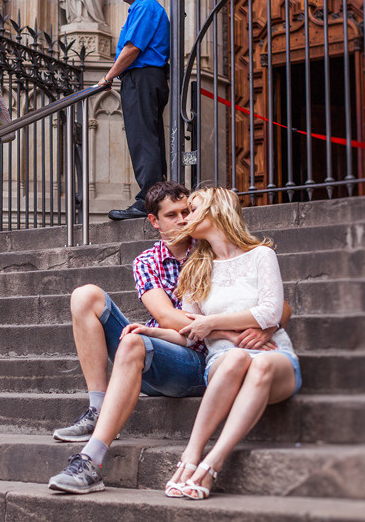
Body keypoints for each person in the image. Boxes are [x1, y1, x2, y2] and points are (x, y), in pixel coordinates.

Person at [48, 180, 292, 495]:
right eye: (173, 215)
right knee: (87, 298)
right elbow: (169, 319)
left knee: (138, 341)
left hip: (210, 360)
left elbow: (279, 307)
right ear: (154, 221)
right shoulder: (148, 261)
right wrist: (231, 331)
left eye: (187, 211)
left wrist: (266, 327)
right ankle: (97, 414)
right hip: (170, 351)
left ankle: (92, 456)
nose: (182, 220)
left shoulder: (207, 250)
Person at [163, 187, 301, 500]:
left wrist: (212, 322)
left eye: (193, 209)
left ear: (216, 211)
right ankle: (191, 456)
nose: (186, 217)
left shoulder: (261, 256)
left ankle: (213, 462)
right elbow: (191, 327)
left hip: (274, 356)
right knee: (238, 357)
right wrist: (223, 332)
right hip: (225, 361)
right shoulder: (195, 270)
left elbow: (270, 311)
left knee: (260, 362)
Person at [97, 0, 171, 221]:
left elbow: (132, 49)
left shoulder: (145, 7)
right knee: (148, 137)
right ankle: (159, 196)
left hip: (142, 77)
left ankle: (149, 201)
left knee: (143, 139)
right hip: (148, 78)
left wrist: (108, 77)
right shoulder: (144, 8)